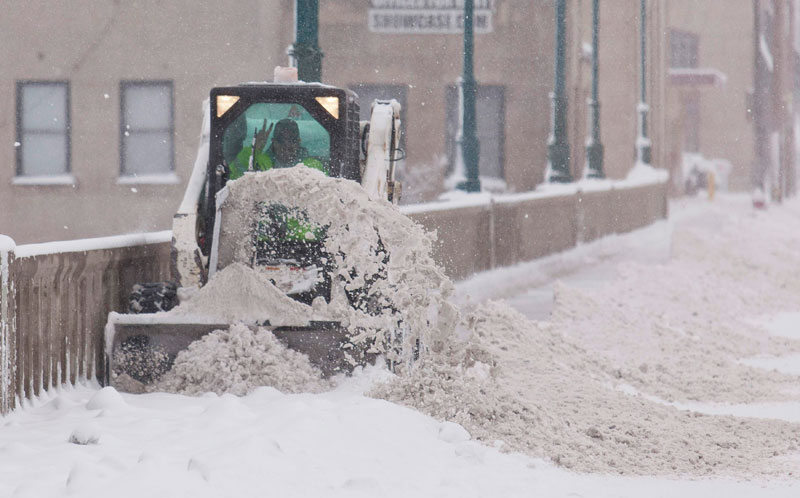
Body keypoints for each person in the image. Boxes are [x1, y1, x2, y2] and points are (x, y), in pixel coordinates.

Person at [228, 118, 326, 179]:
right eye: (281, 140)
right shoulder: (258, 162)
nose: (287, 145)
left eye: (292, 140)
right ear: (274, 142)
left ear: (298, 142)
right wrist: (254, 150)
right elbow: (236, 178)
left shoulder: (313, 166)